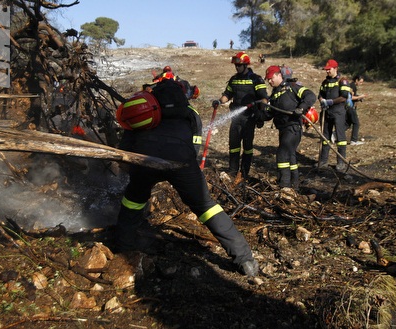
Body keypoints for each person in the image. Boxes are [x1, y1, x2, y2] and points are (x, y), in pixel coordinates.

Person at [115, 77, 259, 277]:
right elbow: (195, 145)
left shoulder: (144, 108)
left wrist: (132, 169)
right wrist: (186, 169)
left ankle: (123, 251)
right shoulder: (190, 112)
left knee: (133, 201)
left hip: (145, 159)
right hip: (181, 161)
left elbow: (127, 141)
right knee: (207, 207)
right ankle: (245, 260)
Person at [214, 51, 268, 179]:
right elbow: (227, 95)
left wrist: (261, 115)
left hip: (250, 117)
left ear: (245, 65)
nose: (237, 68)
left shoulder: (256, 79)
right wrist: (219, 101)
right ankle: (232, 171)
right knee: (233, 145)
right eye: (235, 66)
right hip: (236, 117)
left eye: (239, 65)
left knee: (248, 147)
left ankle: (244, 173)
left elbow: (264, 98)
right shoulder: (234, 79)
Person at [262, 65, 316, 190]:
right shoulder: (274, 94)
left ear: (279, 75)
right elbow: (269, 113)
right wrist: (260, 116)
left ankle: (284, 186)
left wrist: (301, 108)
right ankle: (295, 186)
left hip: (293, 127)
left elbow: (310, 96)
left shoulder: (292, 87)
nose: (269, 82)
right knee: (291, 156)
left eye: (271, 78)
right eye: (268, 79)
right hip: (283, 129)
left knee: (282, 154)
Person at [318, 59, 352, 172]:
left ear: (335, 69)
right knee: (325, 137)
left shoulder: (342, 81)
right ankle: (323, 161)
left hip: (339, 112)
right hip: (327, 112)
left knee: (340, 137)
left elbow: (344, 96)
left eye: (329, 70)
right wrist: (322, 100)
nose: (327, 72)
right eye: (326, 70)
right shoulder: (325, 82)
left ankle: (341, 162)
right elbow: (320, 94)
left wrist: (330, 102)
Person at [346, 75, 367, 145]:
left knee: (347, 124)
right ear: (356, 80)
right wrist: (360, 96)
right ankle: (353, 140)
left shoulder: (351, 85)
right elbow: (350, 97)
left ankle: (334, 134)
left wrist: (359, 98)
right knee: (356, 123)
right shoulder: (352, 86)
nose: (360, 84)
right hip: (350, 107)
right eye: (360, 82)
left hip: (348, 107)